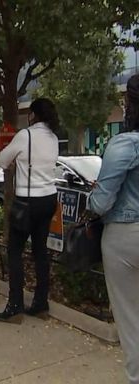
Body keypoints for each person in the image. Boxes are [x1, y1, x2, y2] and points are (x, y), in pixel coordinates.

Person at [88, 74, 139, 384]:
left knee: (131, 321)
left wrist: (93, 196)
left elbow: (101, 203)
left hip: (125, 237)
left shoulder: (125, 143)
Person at [0, 98, 59, 323]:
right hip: (49, 199)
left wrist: (14, 162)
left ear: (32, 114)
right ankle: (41, 304)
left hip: (27, 202)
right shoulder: (53, 138)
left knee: (14, 251)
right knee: (40, 251)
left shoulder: (26, 135)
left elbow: (3, 160)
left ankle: (15, 306)